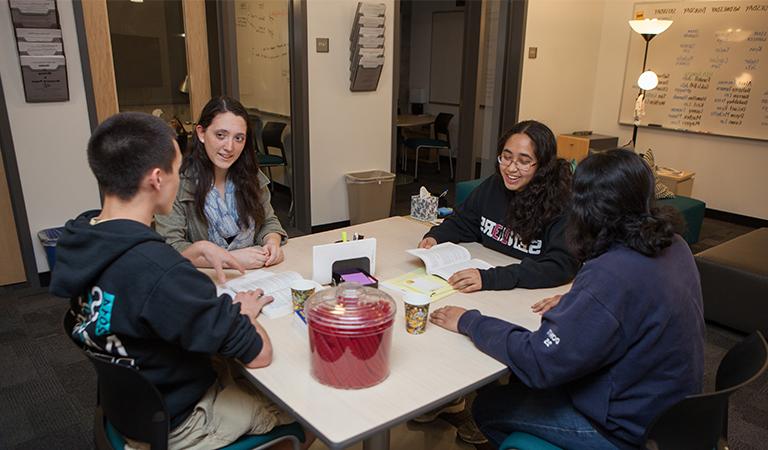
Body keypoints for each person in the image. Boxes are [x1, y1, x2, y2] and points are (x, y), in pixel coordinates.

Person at [50, 112, 312, 450]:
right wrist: (242, 313)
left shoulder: (83, 236)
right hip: (181, 422)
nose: (180, 178)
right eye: (176, 170)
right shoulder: (160, 272)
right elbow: (258, 353)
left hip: (134, 406)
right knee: (307, 409)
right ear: (157, 179)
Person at [429, 149, 705, 449]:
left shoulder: (610, 274)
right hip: (675, 414)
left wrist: (470, 321)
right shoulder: (674, 244)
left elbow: (539, 362)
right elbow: (637, 298)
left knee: (489, 407)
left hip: (626, 431)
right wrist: (582, 300)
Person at [418, 120, 579, 293]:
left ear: (543, 165)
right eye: (507, 157)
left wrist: (492, 278)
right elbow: (463, 221)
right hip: (486, 280)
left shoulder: (561, 202)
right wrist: (436, 237)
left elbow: (561, 265)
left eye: (523, 161)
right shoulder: (494, 185)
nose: (510, 168)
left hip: (528, 293)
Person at [155, 96, 287, 270]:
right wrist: (229, 259)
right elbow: (170, 248)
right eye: (220, 135)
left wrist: (272, 242)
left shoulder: (252, 175)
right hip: (205, 281)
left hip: (256, 276)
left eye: (239, 138)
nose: (229, 147)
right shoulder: (176, 182)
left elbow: (268, 221)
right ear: (201, 133)